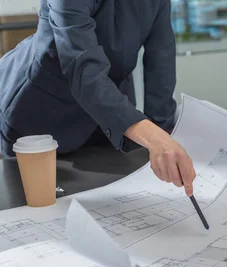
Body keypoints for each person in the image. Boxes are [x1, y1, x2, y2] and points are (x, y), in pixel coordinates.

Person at [0, 0, 195, 196]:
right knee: (40, 210)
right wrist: (153, 138)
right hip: (41, 113)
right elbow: (83, 70)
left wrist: (165, 137)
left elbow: (161, 62)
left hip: (108, 121)